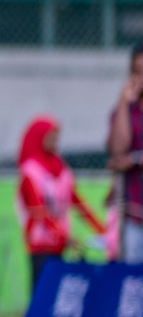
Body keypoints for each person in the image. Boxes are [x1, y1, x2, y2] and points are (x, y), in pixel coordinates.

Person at [18, 115, 104, 293]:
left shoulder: (61, 168)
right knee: (41, 290)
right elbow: (37, 210)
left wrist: (102, 231)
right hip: (40, 242)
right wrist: (64, 236)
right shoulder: (31, 171)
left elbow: (77, 201)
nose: (55, 142)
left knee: (57, 291)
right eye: (50, 137)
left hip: (59, 242)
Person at [107, 43, 143, 262]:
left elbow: (126, 159)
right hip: (133, 214)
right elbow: (118, 150)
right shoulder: (126, 111)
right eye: (137, 71)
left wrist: (134, 159)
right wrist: (123, 102)